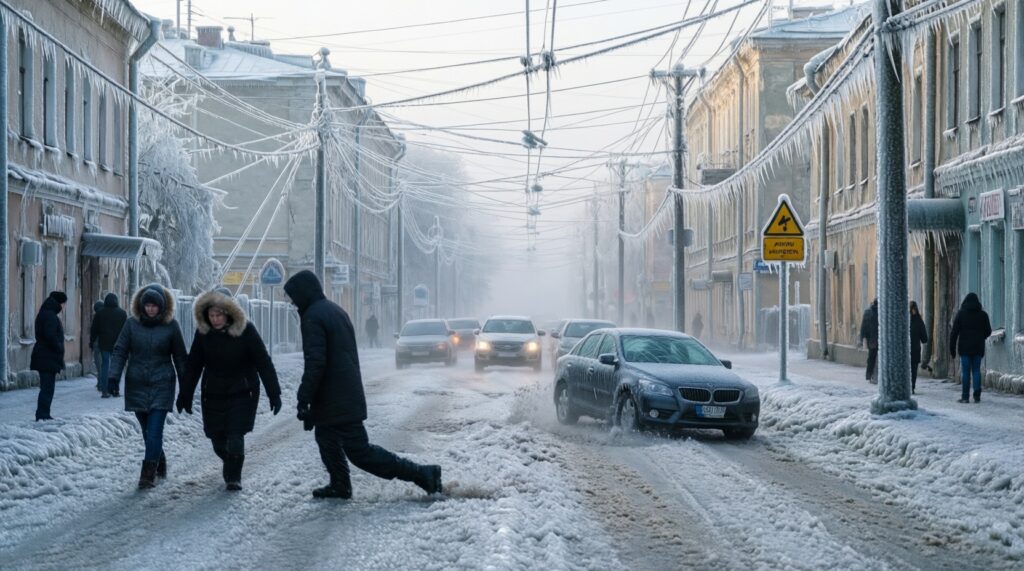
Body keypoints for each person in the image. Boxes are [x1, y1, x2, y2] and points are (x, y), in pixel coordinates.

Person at [283, 270, 442, 499]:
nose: (293, 303)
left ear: (303, 293)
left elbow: (316, 362)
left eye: (293, 297)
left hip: (336, 397)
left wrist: (304, 398)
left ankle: (422, 474)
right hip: (343, 393)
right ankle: (339, 484)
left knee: (360, 452)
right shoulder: (335, 310)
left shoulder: (313, 317)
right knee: (326, 437)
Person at [177, 289, 283, 491]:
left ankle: (234, 475)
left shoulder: (246, 330)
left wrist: (274, 392)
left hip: (242, 390)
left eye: (219, 314)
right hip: (214, 392)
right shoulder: (203, 334)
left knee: (235, 435)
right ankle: (229, 460)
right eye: (212, 315)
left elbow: (263, 362)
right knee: (217, 438)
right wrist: (185, 394)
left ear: (228, 312)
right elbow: (194, 365)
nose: (215, 319)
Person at [108, 284, 188, 489]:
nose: (151, 309)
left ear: (161, 307)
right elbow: (120, 351)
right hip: (137, 385)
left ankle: (147, 474)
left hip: (163, 384)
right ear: (142, 306)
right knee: (146, 432)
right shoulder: (131, 325)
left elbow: (180, 357)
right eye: (148, 305)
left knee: (154, 431)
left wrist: (186, 387)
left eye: (154, 306)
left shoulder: (171, 326)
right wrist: (113, 377)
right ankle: (159, 459)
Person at [949, 292, 992, 404]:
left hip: (964, 348)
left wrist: (952, 349)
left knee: (966, 372)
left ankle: (965, 397)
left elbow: (954, 333)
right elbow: (988, 331)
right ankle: (977, 395)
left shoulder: (961, 314)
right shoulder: (983, 315)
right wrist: (980, 337)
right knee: (976, 370)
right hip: (978, 348)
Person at [31, 291, 68, 421]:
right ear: (59, 303)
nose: (64, 307)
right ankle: (42, 414)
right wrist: (58, 347)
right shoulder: (50, 316)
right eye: (64, 304)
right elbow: (50, 335)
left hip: (45, 356)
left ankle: (43, 413)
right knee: (47, 387)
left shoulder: (46, 313)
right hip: (47, 356)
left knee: (46, 387)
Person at [91, 293, 128, 398]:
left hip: (104, 344)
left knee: (105, 366)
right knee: (116, 368)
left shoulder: (100, 313)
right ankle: (115, 390)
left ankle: (104, 391)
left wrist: (91, 341)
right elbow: (126, 331)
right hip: (118, 345)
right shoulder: (122, 313)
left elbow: (94, 329)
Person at [909, 301, 929, 395]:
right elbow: (924, 339)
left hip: (907, 350)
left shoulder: (905, 321)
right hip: (915, 349)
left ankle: (910, 387)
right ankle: (911, 387)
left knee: (909, 369)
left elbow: (924, 338)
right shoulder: (919, 320)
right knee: (913, 370)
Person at [859, 299, 879, 382]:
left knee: (871, 358)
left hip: (871, 339)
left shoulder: (868, 312)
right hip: (875, 339)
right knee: (874, 358)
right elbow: (864, 326)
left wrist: (862, 337)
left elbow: (863, 327)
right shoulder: (880, 312)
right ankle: (872, 376)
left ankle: (870, 375)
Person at [91, 300, 104, 391]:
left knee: (99, 364)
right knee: (105, 364)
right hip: (108, 344)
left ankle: (100, 383)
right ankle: (102, 382)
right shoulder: (108, 316)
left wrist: (91, 343)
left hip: (98, 343)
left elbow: (93, 331)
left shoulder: (96, 316)